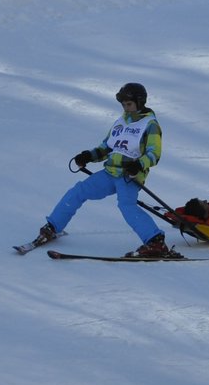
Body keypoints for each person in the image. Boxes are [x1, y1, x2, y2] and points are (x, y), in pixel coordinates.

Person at [35, 82, 172, 257]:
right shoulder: (121, 122)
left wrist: (138, 164)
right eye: (123, 105)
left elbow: (154, 154)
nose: (126, 108)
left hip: (128, 176)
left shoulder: (150, 125)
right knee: (78, 191)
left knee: (126, 205)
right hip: (110, 173)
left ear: (140, 102)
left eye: (129, 104)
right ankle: (53, 227)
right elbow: (106, 147)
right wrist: (88, 156)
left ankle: (155, 241)